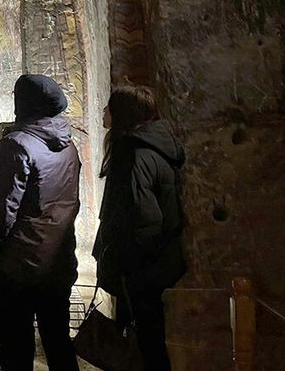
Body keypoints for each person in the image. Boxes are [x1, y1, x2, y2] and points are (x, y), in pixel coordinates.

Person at [0, 74, 81, 371]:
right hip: (59, 259)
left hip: (19, 266)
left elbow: (3, 212)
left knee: (16, 350)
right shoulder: (68, 145)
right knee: (59, 343)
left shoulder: (16, 145)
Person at [93, 86, 186, 371]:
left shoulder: (134, 156)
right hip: (153, 263)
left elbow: (143, 219)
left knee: (146, 342)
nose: (103, 112)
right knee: (147, 339)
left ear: (122, 114)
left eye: (108, 107)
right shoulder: (152, 147)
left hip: (140, 268)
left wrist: (126, 265)